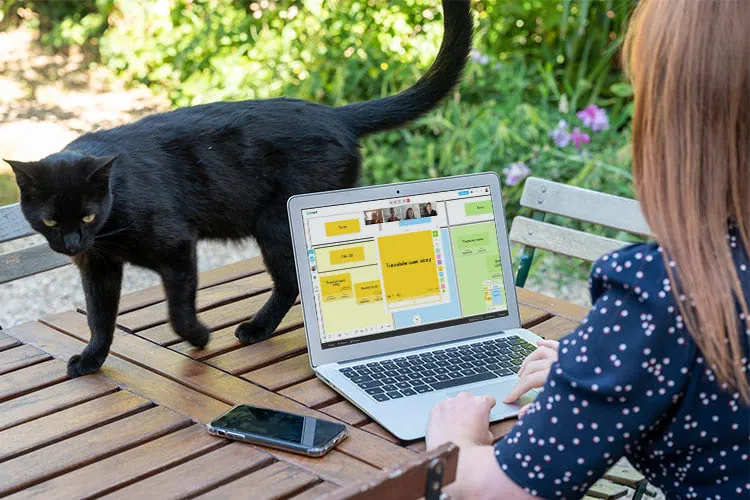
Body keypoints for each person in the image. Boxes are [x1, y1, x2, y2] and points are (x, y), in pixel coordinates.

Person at [426, 1, 750, 498]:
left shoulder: (667, 296)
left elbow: (495, 492)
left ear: (676, 121)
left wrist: (454, 437)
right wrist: (603, 370)